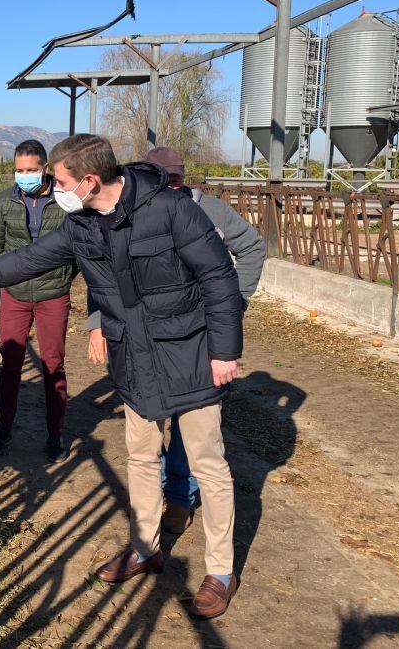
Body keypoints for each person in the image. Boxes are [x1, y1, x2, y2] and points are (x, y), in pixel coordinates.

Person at [0, 134, 244, 619]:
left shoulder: (172, 209)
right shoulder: (81, 224)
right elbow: (27, 259)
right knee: (140, 455)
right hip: (133, 356)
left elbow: (219, 277)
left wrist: (224, 350)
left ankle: (220, 571)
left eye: (60, 180)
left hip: (190, 352)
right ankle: (145, 547)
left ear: (90, 180)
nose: (53, 188)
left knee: (207, 463)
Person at [87, 146, 265, 535]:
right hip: (146, 337)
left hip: (197, 335)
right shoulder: (125, 213)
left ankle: (181, 497)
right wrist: (97, 321)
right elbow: (104, 272)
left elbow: (251, 247)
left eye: (175, 182)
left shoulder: (207, 210)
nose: (167, 189)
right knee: (149, 425)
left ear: (183, 180)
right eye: (160, 182)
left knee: (193, 424)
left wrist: (236, 302)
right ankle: (158, 513)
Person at [0, 139, 73, 463]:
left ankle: (55, 434)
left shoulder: (65, 202)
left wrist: (61, 278)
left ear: (45, 169)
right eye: (19, 170)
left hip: (53, 295)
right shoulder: (4, 202)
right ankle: (3, 429)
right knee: (10, 363)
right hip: (15, 295)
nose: (24, 176)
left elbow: (76, 249)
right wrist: (11, 279)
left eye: (31, 170)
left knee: (53, 364)